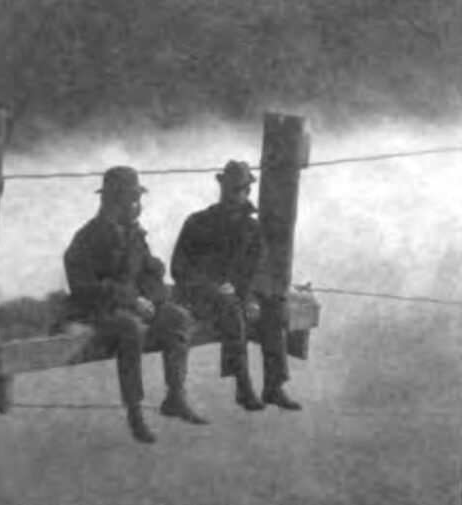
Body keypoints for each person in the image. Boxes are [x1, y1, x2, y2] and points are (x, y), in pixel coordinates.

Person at [64, 166, 208, 444]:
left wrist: (153, 300)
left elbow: (151, 274)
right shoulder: (87, 238)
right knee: (131, 330)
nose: (137, 206)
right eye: (130, 200)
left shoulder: (135, 235)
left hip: (135, 305)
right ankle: (135, 411)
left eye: (137, 199)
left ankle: (175, 396)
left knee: (177, 317)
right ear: (111, 202)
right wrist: (132, 301)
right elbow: (83, 288)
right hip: (97, 310)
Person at [171, 160, 302, 412]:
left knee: (274, 307)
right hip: (203, 296)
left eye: (241, 189)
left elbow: (260, 268)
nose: (236, 194)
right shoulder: (198, 222)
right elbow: (179, 268)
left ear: (248, 191)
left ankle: (274, 387)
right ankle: (243, 387)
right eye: (231, 188)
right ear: (221, 188)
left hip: (240, 294)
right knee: (232, 311)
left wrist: (251, 297)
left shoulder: (252, 229)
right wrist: (213, 287)